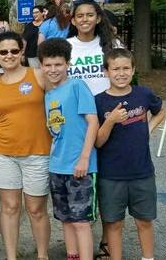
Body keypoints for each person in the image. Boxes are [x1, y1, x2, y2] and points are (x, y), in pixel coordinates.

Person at [94, 49, 166, 260]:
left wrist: (149, 128)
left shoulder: (143, 94)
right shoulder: (98, 102)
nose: (121, 73)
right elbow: (98, 141)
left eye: (126, 68)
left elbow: (160, 110)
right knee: (114, 223)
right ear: (106, 71)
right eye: (115, 68)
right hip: (111, 174)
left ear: (133, 70)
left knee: (144, 220)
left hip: (141, 172)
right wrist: (111, 120)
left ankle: (148, 257)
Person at [0, 32, 52, 260]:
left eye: (14, 50)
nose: (9, 55)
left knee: (36, 210)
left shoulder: (39, 75)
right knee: (10, 207)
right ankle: (11, 256)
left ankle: (42, 256)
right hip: (3, 153)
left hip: (38, 152)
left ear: (22, 51)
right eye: (3, 52)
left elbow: (58, 105)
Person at [38, 38, 99, 260]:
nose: (53, 70)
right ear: (42, 66)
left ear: (67, 64)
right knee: (65, 218)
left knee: (81, 221)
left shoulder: (77, 86)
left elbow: (93, 122)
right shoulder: (49, 95)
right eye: (48, 65)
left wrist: (84, 158)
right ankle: (71, 255)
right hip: (57, 166)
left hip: (80, 167)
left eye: (58, 64)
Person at [67, 0, 124, 95]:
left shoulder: (114, 44)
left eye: (90, 15)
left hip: (109, 106)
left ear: (98, 19)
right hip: (76, 106)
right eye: (80, 16)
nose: (85, 19)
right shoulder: (64, 46)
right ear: (73, 21)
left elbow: (123, 76)